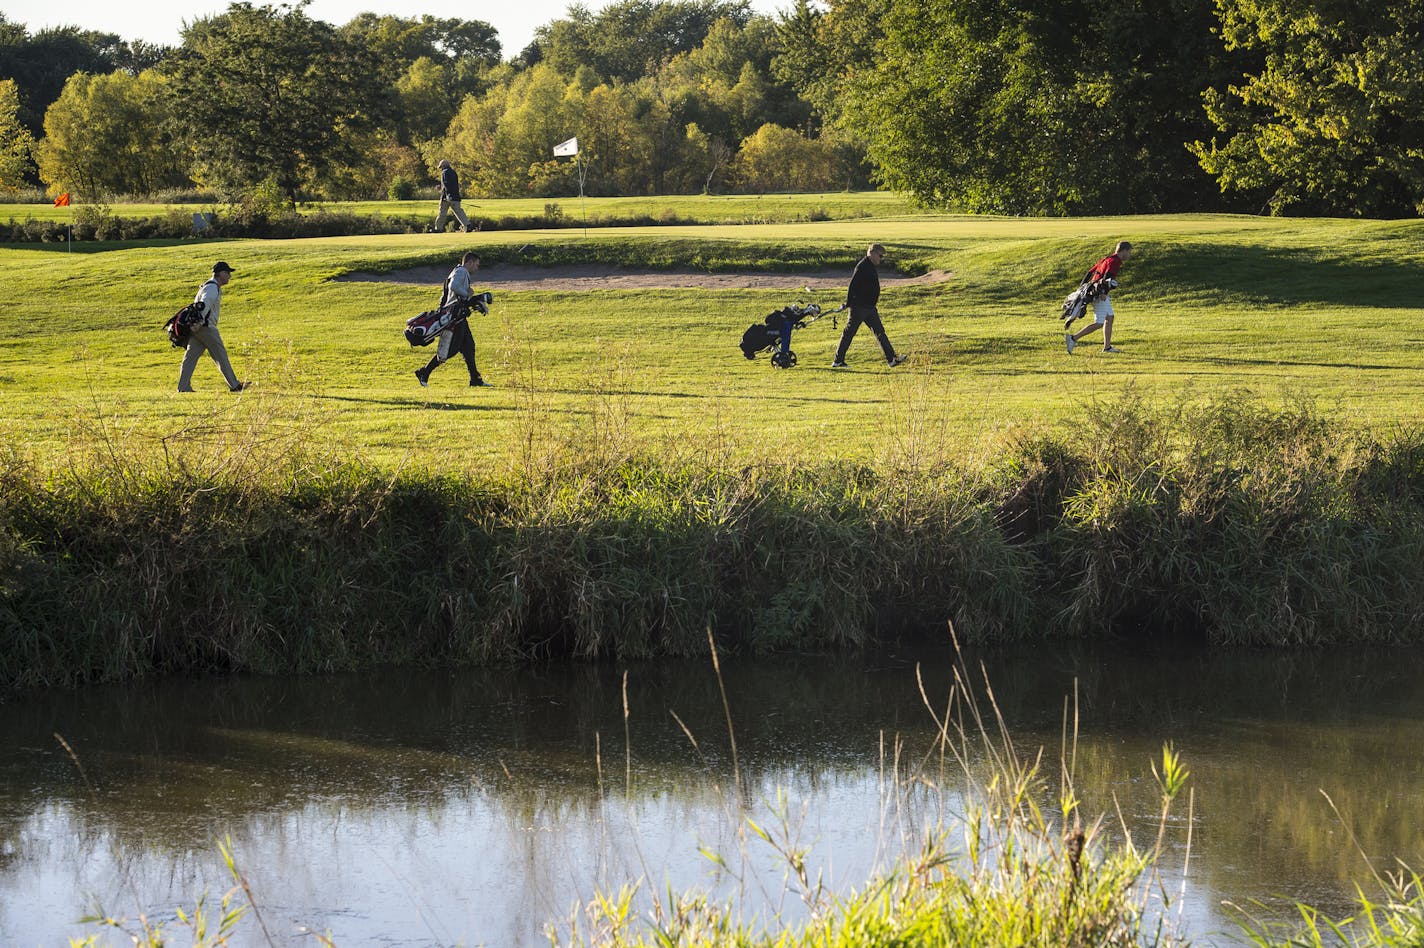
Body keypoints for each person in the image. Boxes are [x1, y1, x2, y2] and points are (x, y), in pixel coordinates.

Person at [415, 251, 486, 388]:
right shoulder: (462, 272)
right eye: (476, 265)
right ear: (470, 262)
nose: (477, 268)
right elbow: (454, 287)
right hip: (454, 317)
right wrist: (467, 293)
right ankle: (424, 372)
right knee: (451, 350)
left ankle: (475, 379)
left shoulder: (457, 271)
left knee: (469, 347)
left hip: (458, 316)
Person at [832, 243, 907, 368]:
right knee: (849, 333)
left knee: (880, 332)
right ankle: (838, 361)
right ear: (871, 253)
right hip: (859, 307)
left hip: (869, 308)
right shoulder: (862, 266)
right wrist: (849, 303)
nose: (881, 259)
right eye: (880, 256)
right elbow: (852, 286)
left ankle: (892, 359)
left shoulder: (870, 266)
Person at [177, 261, 245, 393]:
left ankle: (183, 387)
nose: (229, 276)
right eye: (227, 273)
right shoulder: (212, 287)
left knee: (190, 358)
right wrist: (199, 322)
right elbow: (205, 304)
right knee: (221, 356)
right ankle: (235, 385)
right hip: (206, 327)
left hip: (198, 328)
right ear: (220, 273)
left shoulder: (208, 286)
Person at [1066, 241, 1133, 354]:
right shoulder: (1115, 261)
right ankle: (1073, 338)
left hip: (1093, 290)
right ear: (1124, 251)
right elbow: (1108, 278)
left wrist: (1081, 287)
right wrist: (1104, 292)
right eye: (1129, 252)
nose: (1129, 255)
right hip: (1099, 294)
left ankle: (1107, 347)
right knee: (1099, 322)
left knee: (1110, 317)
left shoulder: (1106, 259)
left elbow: (1089, 273)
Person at [433, 159, 472, 233]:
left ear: (443, 166)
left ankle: (438, 228)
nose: (440, 169)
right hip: (455, 196)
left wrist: (446, 195)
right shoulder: (453, 172)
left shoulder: (444, 172)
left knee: (442, 213)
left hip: (446, 197)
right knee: (459, 212)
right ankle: (467, 225)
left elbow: (446, 185)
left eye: (441, 167)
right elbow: (452, 185)